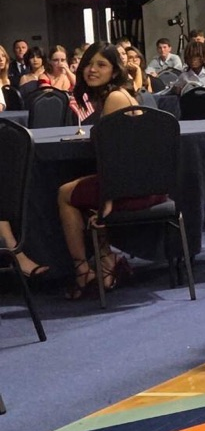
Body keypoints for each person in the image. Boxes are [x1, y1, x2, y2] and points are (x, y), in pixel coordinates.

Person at [57, 43, 151, 300]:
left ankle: (82, 271)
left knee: (65, 193)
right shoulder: (120, 94)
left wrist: (107, 200)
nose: (92, 70)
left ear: (114, 70)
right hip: (140, 182)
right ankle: (106, 260)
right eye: (89, 64)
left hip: (132, 187)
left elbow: (114, 156)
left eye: (101, 65)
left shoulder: (114, 98)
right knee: (82, 187)